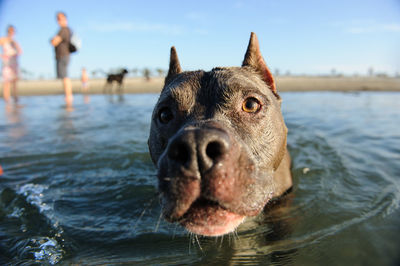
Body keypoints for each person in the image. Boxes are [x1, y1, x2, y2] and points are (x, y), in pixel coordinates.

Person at [51, 12, 73, 106]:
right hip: (62, 55)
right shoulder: (63, 30)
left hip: (63, 55)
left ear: (65, 19)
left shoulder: (64, 30)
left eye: (60, 18)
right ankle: (68, 97)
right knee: (64, 77)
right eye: (58, 18)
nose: (59, 20)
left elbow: (54, 42)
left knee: (65, 77)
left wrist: (53, 40)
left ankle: (68, 98)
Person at [0, 25, 22, 103]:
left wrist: (16, 46)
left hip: (14, 62)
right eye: (10, 31)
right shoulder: (3, 39)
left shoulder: (15, 41)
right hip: (6, 62)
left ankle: (16, 99)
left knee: (15, 81)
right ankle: (7, 100)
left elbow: (20, 52)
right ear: (7, 31)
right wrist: (2, 55)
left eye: (13, 31)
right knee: (7, 82)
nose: (12, 33)